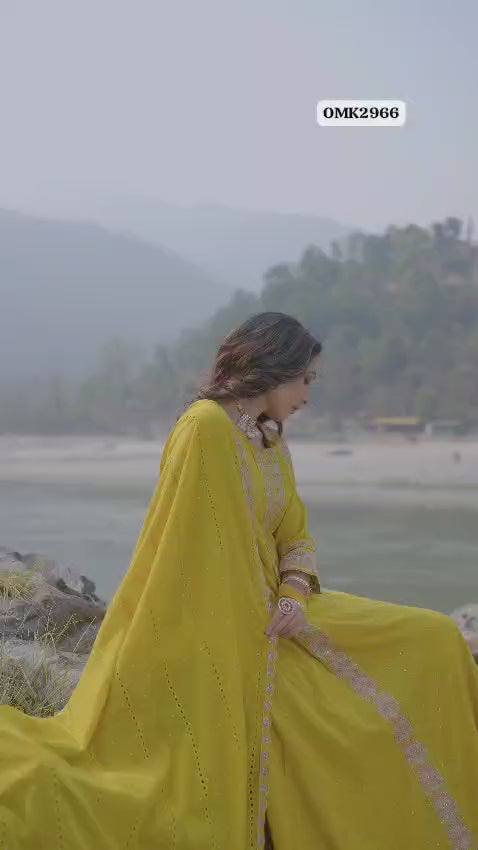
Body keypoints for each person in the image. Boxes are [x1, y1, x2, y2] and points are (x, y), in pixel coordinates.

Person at [0, 311, 477, 850]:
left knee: (435, 636)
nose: (308, 396)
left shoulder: (269, 440)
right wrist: (260, 626)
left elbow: (296, 535)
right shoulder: (204, 428)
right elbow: (187, 559)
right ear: (273, 367)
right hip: (225, 628)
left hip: (282, 610)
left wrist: (294, 596)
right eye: (305, 380)